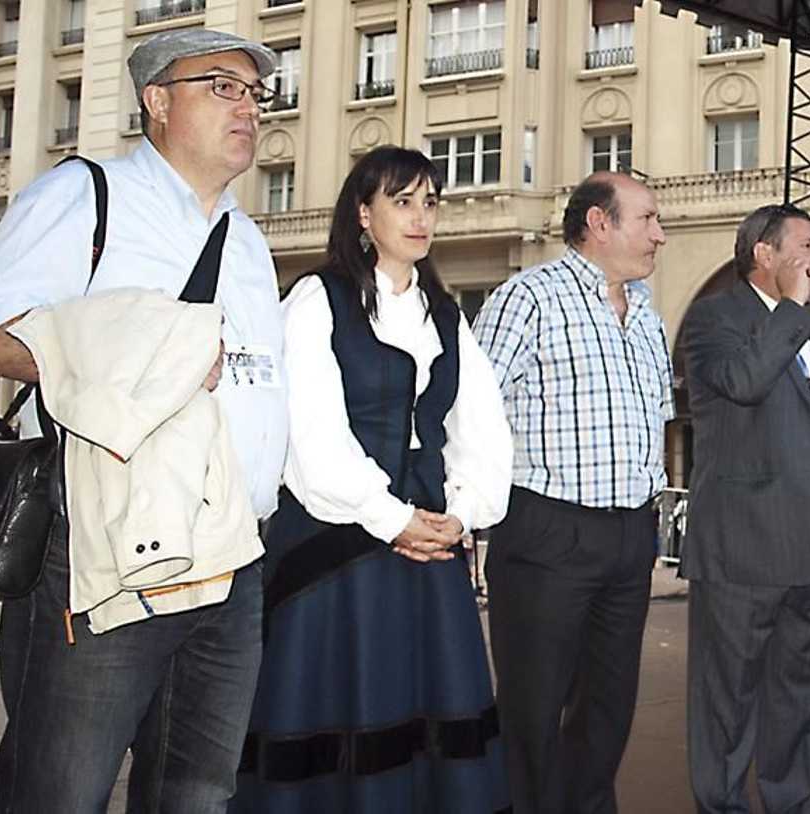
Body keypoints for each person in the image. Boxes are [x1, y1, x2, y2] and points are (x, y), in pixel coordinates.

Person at [0, 29, 289, 812]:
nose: (248, 107)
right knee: (61, 791)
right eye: (222, 86)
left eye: (256, 93)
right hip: (104, 549)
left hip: (234, 558)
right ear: (157, 101)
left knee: (196, 794)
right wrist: (151, 354)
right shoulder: (85, 197)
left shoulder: (249, 240)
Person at [231, 147, 512, 811]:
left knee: (429, 711)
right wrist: (391, 518)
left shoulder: (445, 314)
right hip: (333, 549)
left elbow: (482, 429)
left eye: (430, 202)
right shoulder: (316, 299)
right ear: (364, 212)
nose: (421, 217)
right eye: (403, 201)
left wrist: (461, 514)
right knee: (332, 718)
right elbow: (309, 436)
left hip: (429, 552)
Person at [473, 172, 675, 814]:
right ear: (599, 223)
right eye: (646, 219)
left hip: (628, 533)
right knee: (534, 705)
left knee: (609, 704)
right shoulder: (527, 298)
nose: (660, 234)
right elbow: (471, 411)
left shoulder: (645, 311)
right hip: (547, 531)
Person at [678, 204, 810, 813]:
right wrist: (794, 313)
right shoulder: (714, 317)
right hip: (743, 546)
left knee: (797, 698)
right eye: (807, 246)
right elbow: (744, 382)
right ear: (764, 253)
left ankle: (789, 803)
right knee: (727, 702)